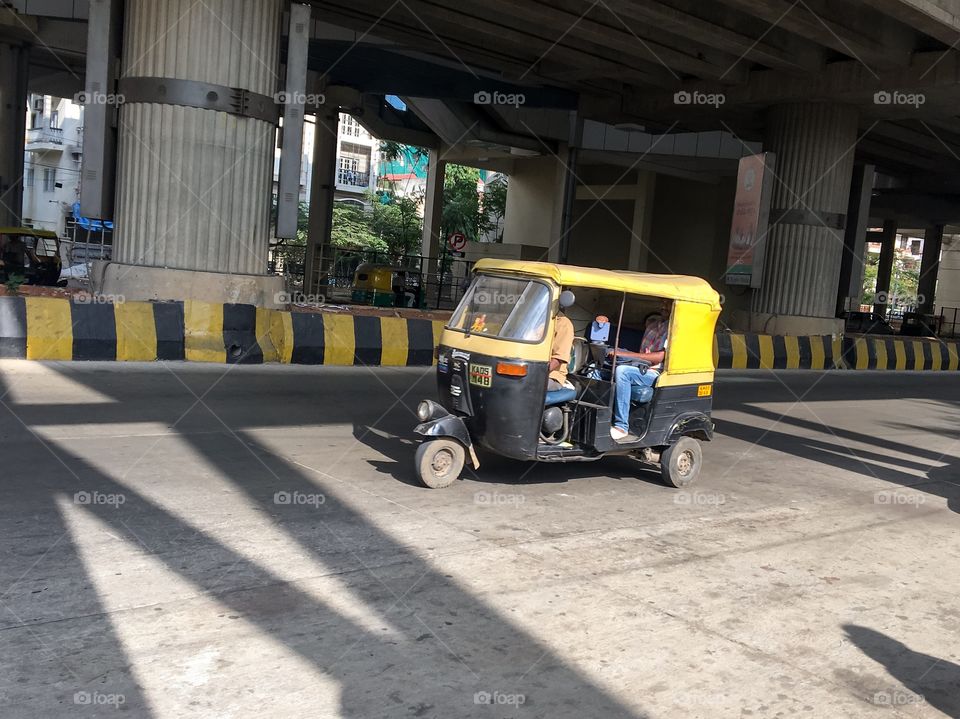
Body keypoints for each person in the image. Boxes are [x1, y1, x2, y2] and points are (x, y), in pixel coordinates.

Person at [608, 300, 670, 441]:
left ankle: (621, 426)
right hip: (639, 367)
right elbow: (634, 327)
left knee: (622, 371)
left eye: (668, 304)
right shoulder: (654, 324)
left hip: (654, 372)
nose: (663, 307)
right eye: (663, 303)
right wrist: (611, 322)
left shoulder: (674, 330)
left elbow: (658, 358)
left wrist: (625, 354)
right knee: (597, 370)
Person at [547, 290, 576, 391]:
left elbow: (558, 358)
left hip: (551, 376)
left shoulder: (563, 323)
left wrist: (537, 374)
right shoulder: (532, 320)